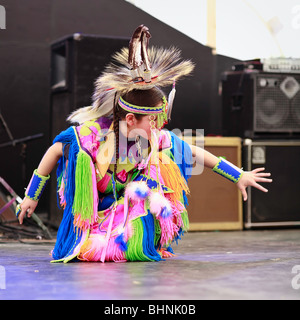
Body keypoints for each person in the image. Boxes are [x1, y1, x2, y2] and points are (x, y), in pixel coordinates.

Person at [17, 25, 272, 263]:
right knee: (90, 250)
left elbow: (194, 153)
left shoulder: (152, 138)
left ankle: (144, 240)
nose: (157, 125)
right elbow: (54, 151)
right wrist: (31, 196)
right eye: (151, 119)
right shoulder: (90, 137)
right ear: (130, 118)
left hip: (123, 213)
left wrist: (238, 175)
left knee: (155, 186)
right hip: (93, 217)